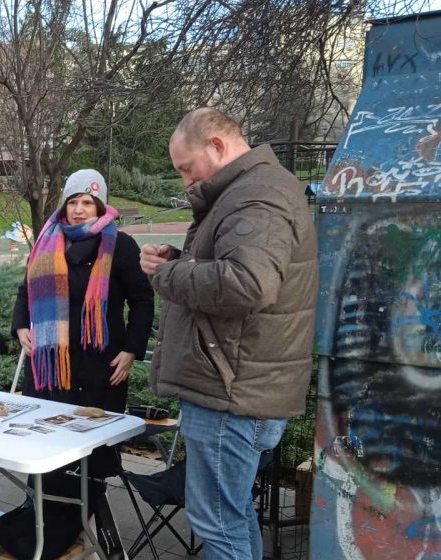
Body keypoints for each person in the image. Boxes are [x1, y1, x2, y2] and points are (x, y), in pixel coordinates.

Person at [139, 107, 317, 560]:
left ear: (217, 146)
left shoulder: (256, 195)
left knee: (218, 525)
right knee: (230, 518)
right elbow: (241, 269)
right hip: (237, 384)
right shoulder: (251, 189)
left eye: (186, 168)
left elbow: (249, 284)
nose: (185, 181)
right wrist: (180, 258)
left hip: (231, 393)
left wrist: (168, 274)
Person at [4, 169, 154, 555]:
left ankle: (83, 527)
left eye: (87, 202)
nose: (79, 209)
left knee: (90, 458)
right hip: (51, 368)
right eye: (73, 202)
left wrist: (133, 349)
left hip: (99, 368)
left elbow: (142, 301)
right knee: (47, 449)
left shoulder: (119, 246)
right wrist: (21, 326)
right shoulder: (45, 243)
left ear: (100, 205)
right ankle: (42, 523)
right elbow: (25, 290)